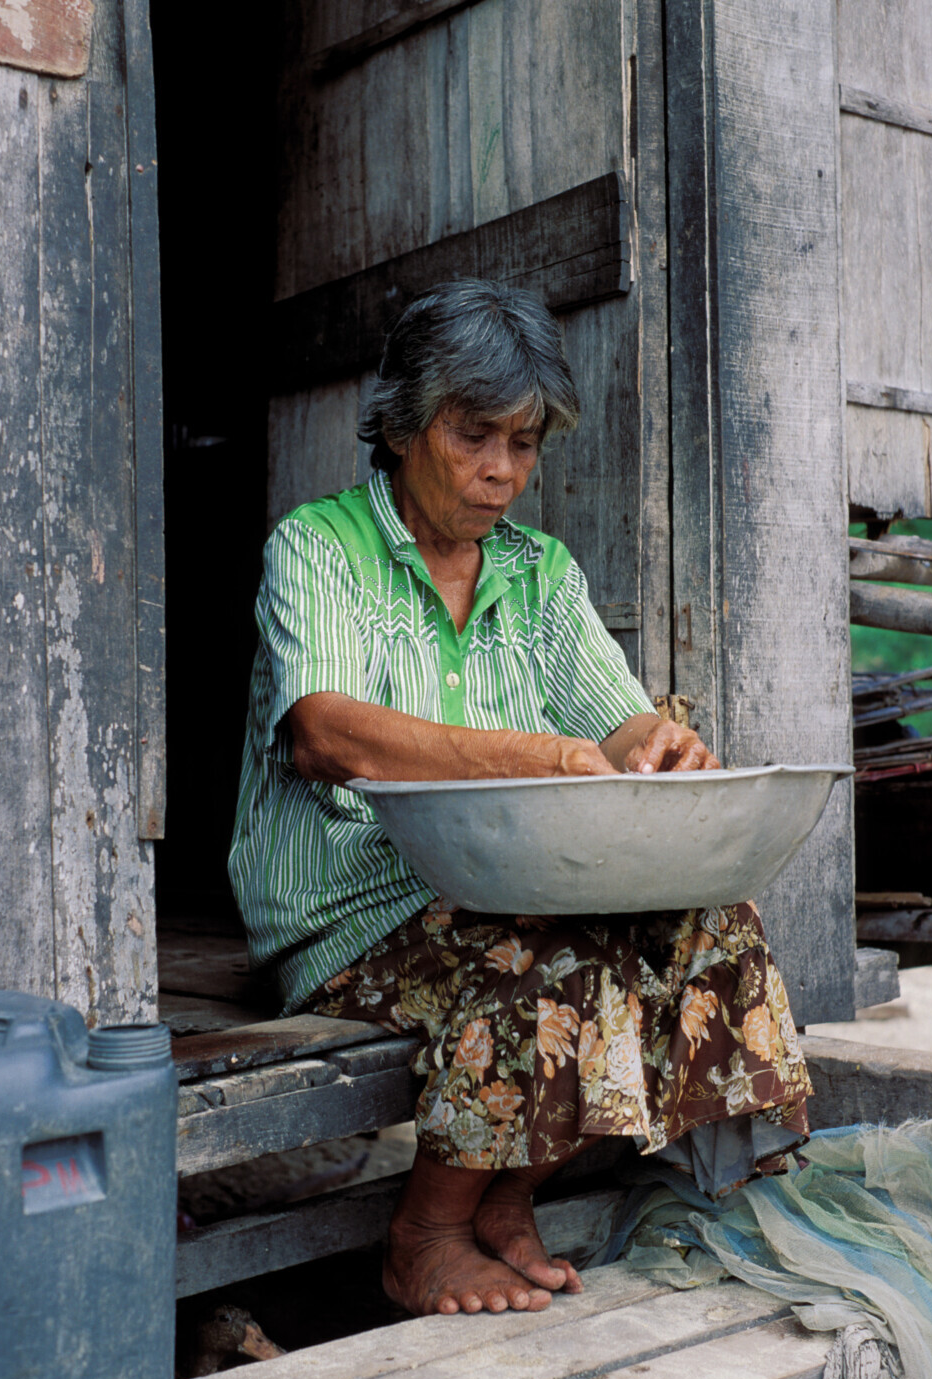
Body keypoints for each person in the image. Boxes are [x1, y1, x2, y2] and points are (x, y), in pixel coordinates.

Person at [229, 279, 812, 1318]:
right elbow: (321, 732)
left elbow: (618, 724)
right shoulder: (317, 548)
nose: (500, 472)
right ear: (405, 423)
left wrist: (659, 749)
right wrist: (532, 756)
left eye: (524, 444)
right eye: (473, 436)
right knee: (553, 955)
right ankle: (424, 1234)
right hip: (350, 914)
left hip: (492, 894)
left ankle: (507, 1195)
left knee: (713, 930)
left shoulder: (539, 572)